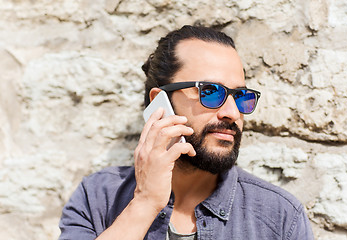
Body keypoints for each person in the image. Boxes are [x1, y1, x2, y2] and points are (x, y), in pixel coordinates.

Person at [59, 25, 314, 240]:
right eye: (211, 92)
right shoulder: (97, 197)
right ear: (161, 104)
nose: (233, 113)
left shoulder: (281, 217)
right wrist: (145, 203)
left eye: (240, 97)